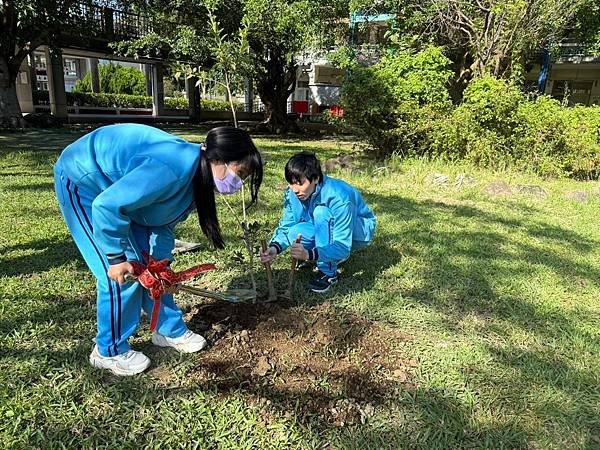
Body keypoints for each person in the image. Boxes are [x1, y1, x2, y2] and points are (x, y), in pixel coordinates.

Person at [54, 123, 263, 376]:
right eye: (239, 174)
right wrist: (115, 257)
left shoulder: (199, 178)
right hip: (85, 183)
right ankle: (108, 351)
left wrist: (162, 268)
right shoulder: (170, 169)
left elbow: (163, 223)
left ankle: (167, 330)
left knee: (155, 272)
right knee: (123, 275)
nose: (238, 183)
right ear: (218, 159)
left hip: (122, 197)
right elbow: (107, 206)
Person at [260, 152, 375, 293]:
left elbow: (342, 244)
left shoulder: (339, 196)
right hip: (321, 225)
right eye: (290, 183)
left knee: (321, 212)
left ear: (315, 178)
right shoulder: (293, 193)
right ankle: (322, 253)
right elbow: (287, 224)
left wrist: (308, 255)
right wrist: (274, 248)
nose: (294, 189)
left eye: (299, 183)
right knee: (294, 232)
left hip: (356, 232)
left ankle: (328, 273)